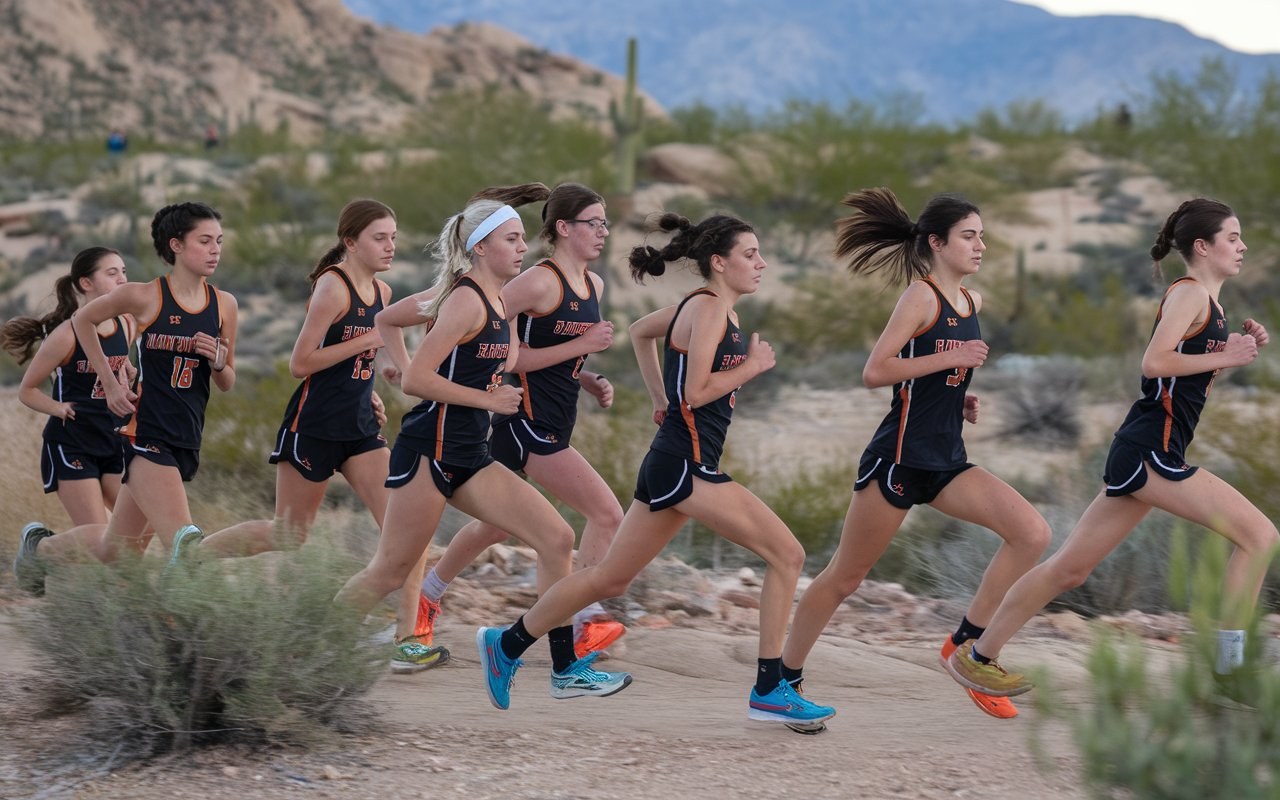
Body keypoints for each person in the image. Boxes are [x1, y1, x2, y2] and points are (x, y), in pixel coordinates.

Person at [474, 211, 834, 730]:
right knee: (789, 554)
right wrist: (749, 368)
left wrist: (658, 399)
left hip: (669, 464)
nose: (761, 263)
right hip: (687, 466)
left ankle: (505, 644)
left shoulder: (700, 307)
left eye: (760, 254)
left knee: (610, 578)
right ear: (719, 262)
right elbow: (697, 392)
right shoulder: (708, 310)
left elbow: (642, 333)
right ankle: (770, 687)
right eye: (750, 254)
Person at [944, 198, 1277, 698]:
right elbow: (1154, 363)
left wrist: (1233, 347)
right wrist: (1227, 353)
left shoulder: (1210, 305)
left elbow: (1184, 370)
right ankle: (1230, 673)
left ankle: (978, 655)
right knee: (1259, 535)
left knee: (1070, 570)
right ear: (1203, 247)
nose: (1242, 245)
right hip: (1152, 454)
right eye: (1233, 237)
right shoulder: (1188, 295)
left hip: (1144, 451)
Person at [335, 184, 631, 699]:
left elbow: (502, 361)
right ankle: (306, 647)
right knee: (391, 570)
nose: (523, 248)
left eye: (522, 239)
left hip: (470, 455)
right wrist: (486, 400)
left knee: (558, 539)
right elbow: (417, 380)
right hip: (429, 451)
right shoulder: (464, 301)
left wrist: (575, 372)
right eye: (512, 240)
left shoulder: (496, 298)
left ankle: (562, 668)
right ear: (481, 248)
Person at [779, 188, 1052, 722]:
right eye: (969, 236)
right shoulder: (920, 298)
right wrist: (950, 358)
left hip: (947, 460)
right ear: (936, 243)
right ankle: (779, 682)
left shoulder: (971, 302)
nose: (981, 246)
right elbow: (875, 371)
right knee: (845, 578)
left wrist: (959, 394)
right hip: (898, 461)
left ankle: (966, 651)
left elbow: (934, 376)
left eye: (982, 236)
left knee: (1032, 534)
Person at [192, 200, 444, 672]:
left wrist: (380, 381)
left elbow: (387, 363)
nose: (390, 246)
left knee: (407, 530)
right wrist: (367, 343)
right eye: (380, 238)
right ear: (351, 241)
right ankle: (193, 557)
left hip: (361, 430)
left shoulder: (384, 291)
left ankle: (408, 639)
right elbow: (300, 363)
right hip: (313, 426)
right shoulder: (333, 287)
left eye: (394, 237)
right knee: (289, 535)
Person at [12, 202, 268, 576]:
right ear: (176, 245)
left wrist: (217, 361)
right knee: (186, 545)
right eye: (205, 241)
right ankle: (186, 625)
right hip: (147, 434)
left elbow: (226, 382)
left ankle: (39, 551)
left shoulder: (225, 304)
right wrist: (112, 383)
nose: (216, 250)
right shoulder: (145, 296)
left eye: (219, 241)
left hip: (187, 435)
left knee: (117, 550)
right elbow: (83, 319)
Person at [5, 248, 133, 593]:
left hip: (113, 440)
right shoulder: (65, 335)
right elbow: (27, 390)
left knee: (129, 533)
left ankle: (113, 595)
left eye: (123, 271)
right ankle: (38, 549)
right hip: (71, 443)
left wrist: (129, 377)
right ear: (86, 283)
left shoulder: (125, 322)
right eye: (112, 273)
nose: (122, 278)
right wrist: (59, 409)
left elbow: (123, 367)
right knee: (98, 535)